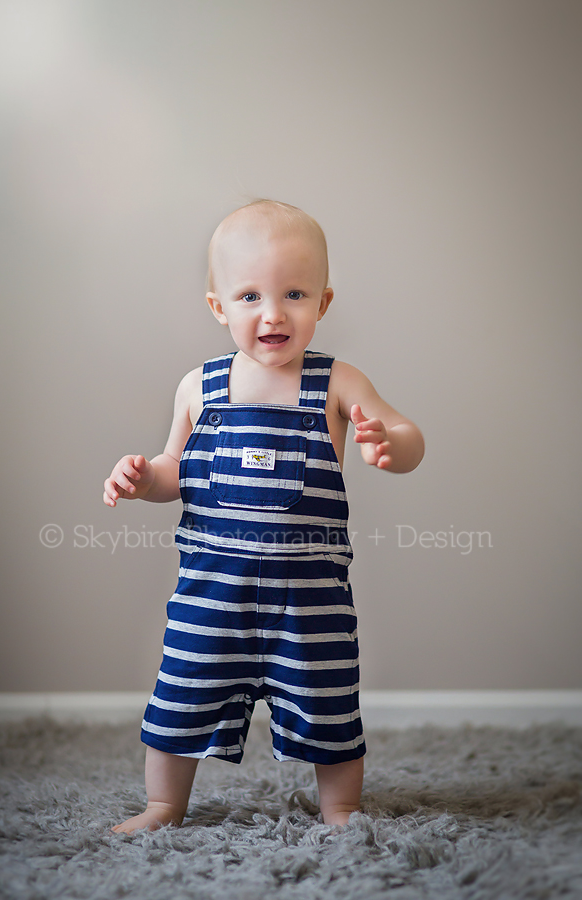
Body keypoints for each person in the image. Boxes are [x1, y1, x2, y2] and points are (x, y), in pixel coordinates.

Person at [103, 199, 424, 834]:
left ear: (323, 303)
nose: (273, 313)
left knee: (329, 704)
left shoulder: (336, 384)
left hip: (309, 602)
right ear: (218, 307)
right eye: (249, 296)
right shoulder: (199, 387)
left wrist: (389, 442)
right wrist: (144, 480)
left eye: (294, 293)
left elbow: (407, 429)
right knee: (180, 695)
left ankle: (342, 808)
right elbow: (176, 469)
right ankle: (163, 806)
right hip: (210, 594)